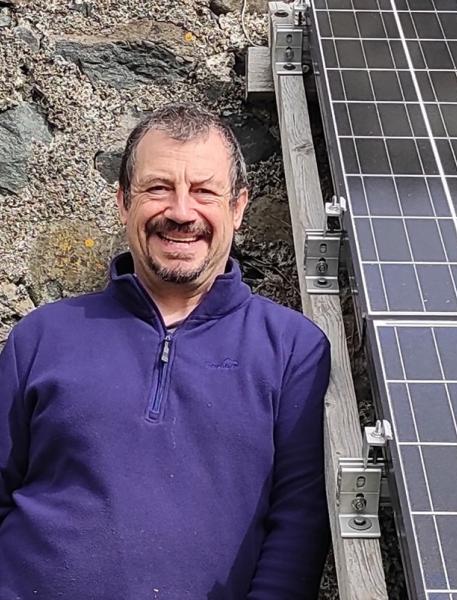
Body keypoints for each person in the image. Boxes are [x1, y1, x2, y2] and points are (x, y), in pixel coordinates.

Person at [0, 103, 331, 598]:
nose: (180, 212)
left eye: (203, 191)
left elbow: (298, 523)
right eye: (158, 188)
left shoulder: (292, 349)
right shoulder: (41, 336)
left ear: (237, 208)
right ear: (123, 202)